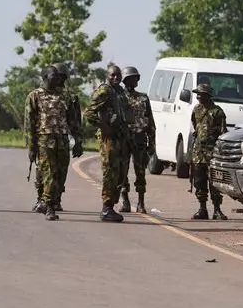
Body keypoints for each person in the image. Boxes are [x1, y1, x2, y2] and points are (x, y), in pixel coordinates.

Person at [25, 66, 83, 220]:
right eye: (53, 75)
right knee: (49, 173)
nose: (57, 78)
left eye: (58, 76)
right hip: (44, 140)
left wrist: (78, 140)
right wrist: (31, 146)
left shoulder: (65, 96)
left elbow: (73, 121)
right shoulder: (34, 96)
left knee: (60, 174)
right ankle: (49, 206)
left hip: (62, 139)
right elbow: (29, 124)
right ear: (45, 77)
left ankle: (51, 200)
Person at [83, 65, 132, 222]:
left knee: (121, 174)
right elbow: (89, 113)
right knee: (110, 172)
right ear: (107, 76)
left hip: (121, 137)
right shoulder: (104, 91)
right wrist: (105, 126)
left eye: (118, 75)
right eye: (112, 75)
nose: (116, 78)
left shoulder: (120, 92)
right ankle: (106, 208)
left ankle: (111, 206)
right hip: (109, 139)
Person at [118, 66, 156, 214]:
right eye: (133, 78)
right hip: (124, 138)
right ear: (126, 80)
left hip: (140, 137)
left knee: (140, 172)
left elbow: (150, 120)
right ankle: (125, 201)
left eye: (137, 77)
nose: (136, 80)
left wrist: (152, 142)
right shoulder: (119, 97)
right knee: (122, 171)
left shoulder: (143, 98)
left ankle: (141, 203)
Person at [190, 83, 228, 220]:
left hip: (213, 153)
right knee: (199, 181)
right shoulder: (197, 109)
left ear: (208, 96)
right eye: (197, 95)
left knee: (214, 181)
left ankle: (217, 210)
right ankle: (202, 209)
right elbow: (195, 125)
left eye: (201, 94)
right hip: (198, 153)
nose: (198, 97)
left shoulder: (217, 112)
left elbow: (223, 133)